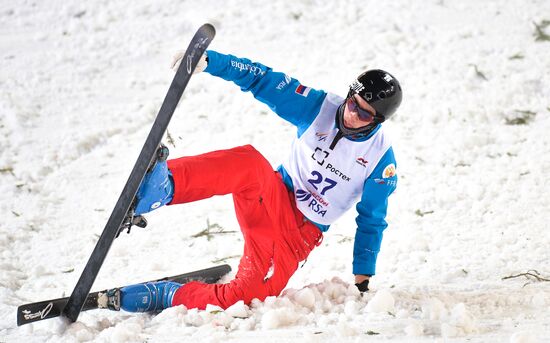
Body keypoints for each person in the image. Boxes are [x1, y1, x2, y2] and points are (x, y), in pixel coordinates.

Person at [109, 50, 402, 313]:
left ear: (378, 122)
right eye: (353, 102)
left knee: (247, 297)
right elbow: (262, 79)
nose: (351, 113)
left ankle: (170, 295)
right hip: (272, 195)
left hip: (297, 237)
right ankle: (162, 187)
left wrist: (363, 279)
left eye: (364, 113)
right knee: (249, 163)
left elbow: (371, 220)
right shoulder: (318, 106)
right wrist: (210, 61)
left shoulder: (380, 162)